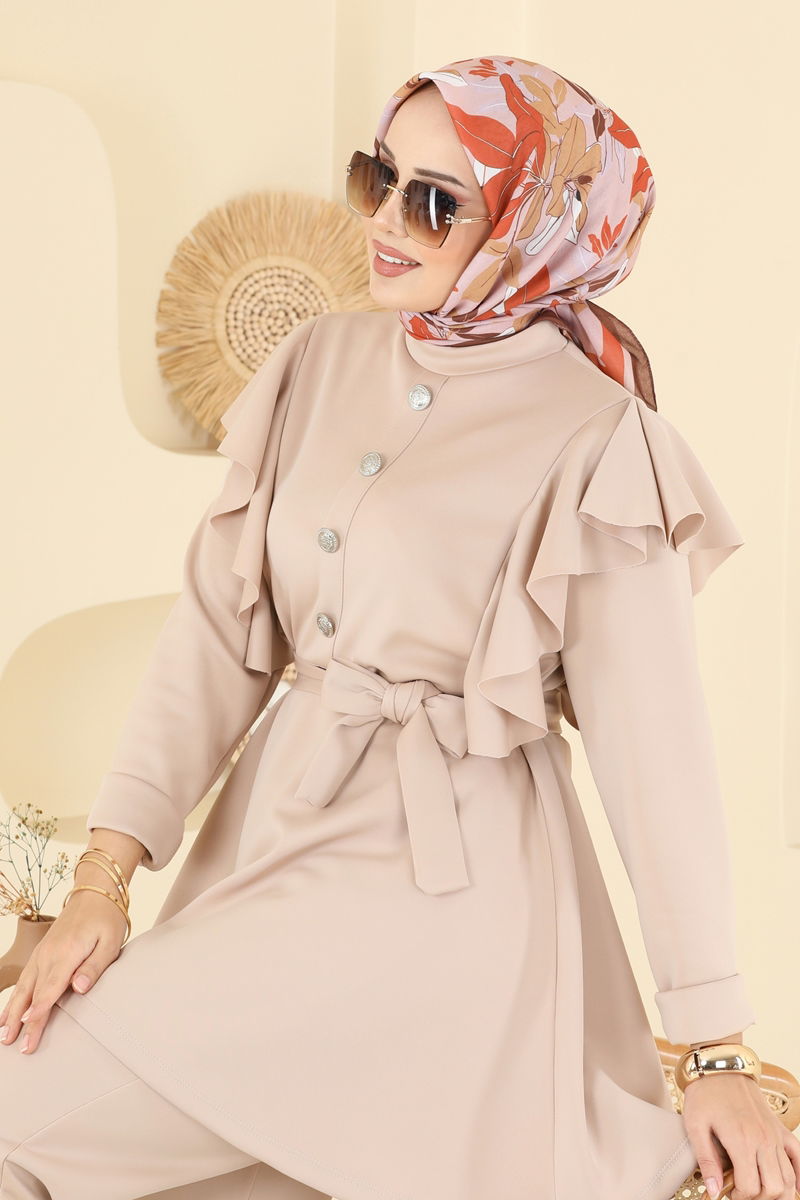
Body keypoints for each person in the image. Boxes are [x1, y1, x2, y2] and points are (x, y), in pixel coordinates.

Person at [1, 53, 797, 1200]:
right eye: (378, 177)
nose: (382, 221)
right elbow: (214, 643)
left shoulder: (600, 443)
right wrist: (100, 881)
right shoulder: (315, 363)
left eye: (434, 202)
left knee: (27, 1114)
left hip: (441, 903)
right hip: (268, 855)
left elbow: (653, 757)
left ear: (533, 224)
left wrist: (714, 1047)